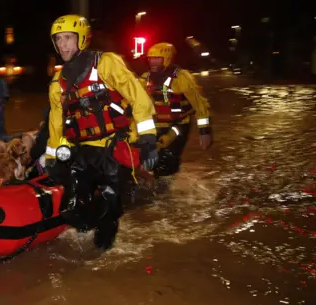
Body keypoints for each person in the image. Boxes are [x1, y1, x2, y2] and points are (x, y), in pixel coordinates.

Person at [45, 14, 158, 249]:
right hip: (81, 151)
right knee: (72, 210)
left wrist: (147, 137)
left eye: (67, 38)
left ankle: (102, 250)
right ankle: (89, 232)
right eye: (58, 39)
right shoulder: (58, 82)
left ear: (82, 39)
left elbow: (138, 96)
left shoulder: (106, 63)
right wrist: (52, 158)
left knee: (108, 212)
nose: (62, 44)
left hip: (112, 148)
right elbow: (56, 123)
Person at [140, 42, 212, 176]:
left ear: (166, 59)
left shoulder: (182, 77)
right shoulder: (146, 78)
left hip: (178, 124)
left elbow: (199, 103)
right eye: (150, 59)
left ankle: (166, 184)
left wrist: (204, 131)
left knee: (168, 158)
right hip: (156, 125)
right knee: (149, 157)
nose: (152, 62)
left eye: (157, 58)